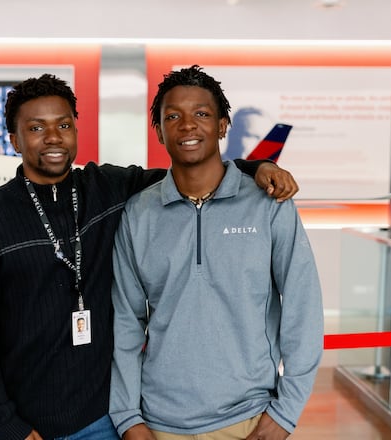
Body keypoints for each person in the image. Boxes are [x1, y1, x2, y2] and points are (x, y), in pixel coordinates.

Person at [0, 73, 299, 440]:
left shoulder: (106, 188)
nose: (53, 137)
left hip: (107, 419)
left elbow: (192, 168)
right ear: (14, 140)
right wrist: (5, 425)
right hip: (29, 424)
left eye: (64, 124)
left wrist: (255, 167)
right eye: (36, 127)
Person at [108, 65, 323, 440]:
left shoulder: (268, 204)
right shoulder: (139, 213)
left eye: (202, 114)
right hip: (157, 424)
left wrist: (287, 412)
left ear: (223, 125)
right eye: (172, 116)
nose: (187, 125)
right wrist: (127, 417)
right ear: (158, 131)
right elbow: (125, 322)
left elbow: (303, 307)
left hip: (249, 419)